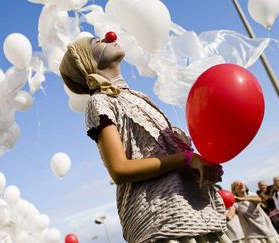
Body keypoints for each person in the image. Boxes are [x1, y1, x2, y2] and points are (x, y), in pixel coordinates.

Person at [59, 36, 229, 242]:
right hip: (161, 215)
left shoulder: (135, 95)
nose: (109, 36)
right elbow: (119, 170)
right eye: (97, 42)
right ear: (87, 63)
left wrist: (199, 163)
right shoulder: (99, 101)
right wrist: (187, 159)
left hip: (191, 204)